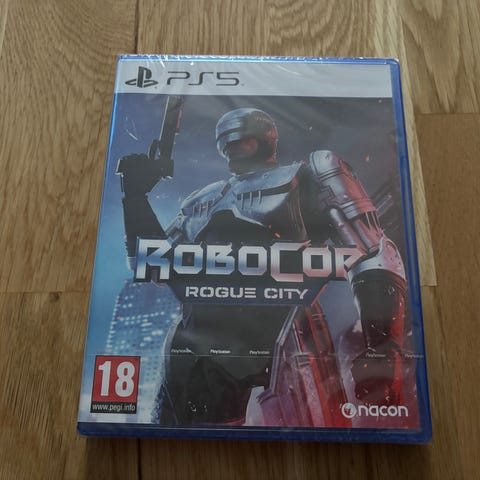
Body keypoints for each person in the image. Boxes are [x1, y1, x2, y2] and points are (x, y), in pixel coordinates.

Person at [118, 107, 408, 427]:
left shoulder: (306, 176)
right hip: (202, 355)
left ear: (265, 139)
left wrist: (384, 348)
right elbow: (152, 264)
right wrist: (135, 197)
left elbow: (373, 252)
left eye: (242, 140)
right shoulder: (203, 201)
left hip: (284, 344)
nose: (233, 147)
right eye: (228, 143)